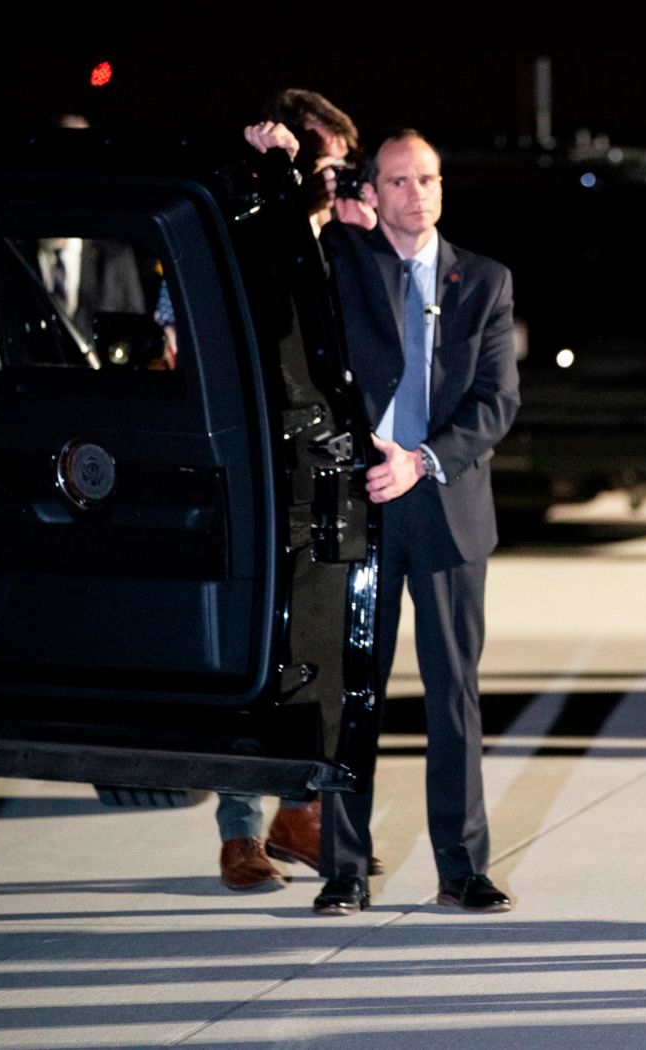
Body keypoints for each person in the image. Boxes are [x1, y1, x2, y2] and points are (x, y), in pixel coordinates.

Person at [249, 124, 520, 915]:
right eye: (398, 181)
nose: (417, 194)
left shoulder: (487, 280)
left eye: (428, 179)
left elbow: (497, 402)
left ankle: (463, 868)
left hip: (446, 512)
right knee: (352, 698)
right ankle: (343, 868)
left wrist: (422, 459)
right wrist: (282, 163)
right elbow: (278, 253)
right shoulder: (341, 268)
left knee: (453, 696)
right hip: (360, 513)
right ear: (370, 193)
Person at [216, 89, 378, 893]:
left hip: (330, 475)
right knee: (261, 647)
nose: (333, 180)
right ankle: (241, 832)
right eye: (322, 163)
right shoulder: (245, 235)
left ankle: (298, 810)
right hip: (258, 469)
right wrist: (277, 189)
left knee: (316, 649)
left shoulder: (343, 248)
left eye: (341, 168)